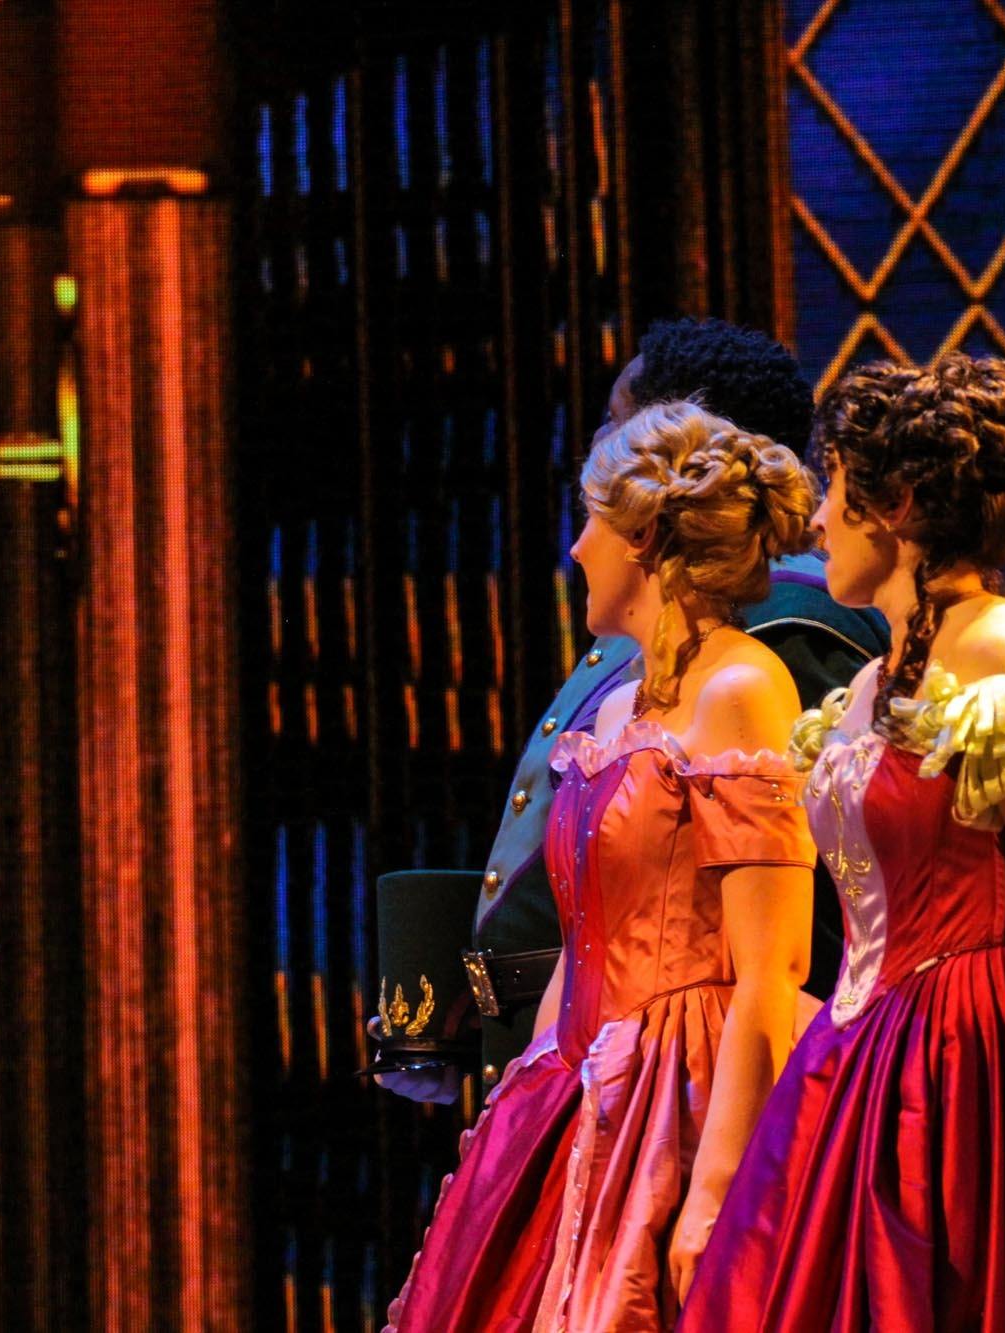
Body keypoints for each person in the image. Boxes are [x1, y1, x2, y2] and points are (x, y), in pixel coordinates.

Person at [678, 355, 1005, 1332]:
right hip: (870, 1052)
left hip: (983, 1056)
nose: (818, 523)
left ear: (896, 506)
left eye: (835, 492)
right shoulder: (872, 681)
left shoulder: (996, 642)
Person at [387, 402, 822, 1331]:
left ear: (645, 537)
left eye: (589, 521)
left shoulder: (742, 688)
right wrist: (524, 1098)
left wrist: (718, 1186)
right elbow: (588, 927)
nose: (577, 548)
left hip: (685, 1096)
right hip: (582, 1076)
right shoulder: (619, 704)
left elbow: (773, 965)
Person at [374, 319, 888, 1103]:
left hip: (687, 1074)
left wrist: (775, 1097)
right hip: (581, 1043)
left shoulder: (779, 625)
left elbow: (810, 895)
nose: (597, 447)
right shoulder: (649, 643)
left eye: (615, 424)